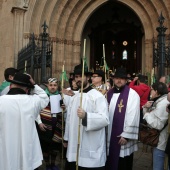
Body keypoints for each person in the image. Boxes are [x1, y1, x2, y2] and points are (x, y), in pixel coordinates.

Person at [63, 64, 109, 170]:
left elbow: (104, 119)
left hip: (91, 144)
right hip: (74, 143)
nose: (78, 79)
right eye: (76, 77)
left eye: (80, 76)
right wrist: (66, 138)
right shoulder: (75, 98)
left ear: (88, 77)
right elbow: (69, 120)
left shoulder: (98, 96)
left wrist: (86, 116)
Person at [0, 73, 49, 170]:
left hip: (6, 149)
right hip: (28, 150)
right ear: (27, 89)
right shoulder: (33, 101)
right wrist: (34, 84)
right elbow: (44, 97)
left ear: (10, 86)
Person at [106, 67, 140, 170]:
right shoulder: (108, 94)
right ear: (113, 79)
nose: (119, 80)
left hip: (123, 137)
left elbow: (133, 115)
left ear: (126, 80)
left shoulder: (132, 95)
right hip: (109, 135)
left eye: (121, 78)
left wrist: (126, 135)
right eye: (116, 78)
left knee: (123, 163)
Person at [36, 78, 62, 170]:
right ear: (47, 85)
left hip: (57, 124)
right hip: (45, 123)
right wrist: (39, 123)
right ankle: (47, 164)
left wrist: (64, 107)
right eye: (51, 85)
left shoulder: (60, 96)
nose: (53, 87)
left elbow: (64, 109)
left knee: (55, 145)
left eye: (55, 85)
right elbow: (36, 110)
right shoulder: (43, 96)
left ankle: (53, 164)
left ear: (57, 86)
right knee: (46, 146)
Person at [143, 82, 169, 170]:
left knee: (157, 167)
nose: (151, 92)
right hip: (159, 141)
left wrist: (146, 114)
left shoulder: (163, 104)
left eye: (152, 90)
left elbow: (158, 125)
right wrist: (146, 108)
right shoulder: (159, 101)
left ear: (157, 91)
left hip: (161, 142)